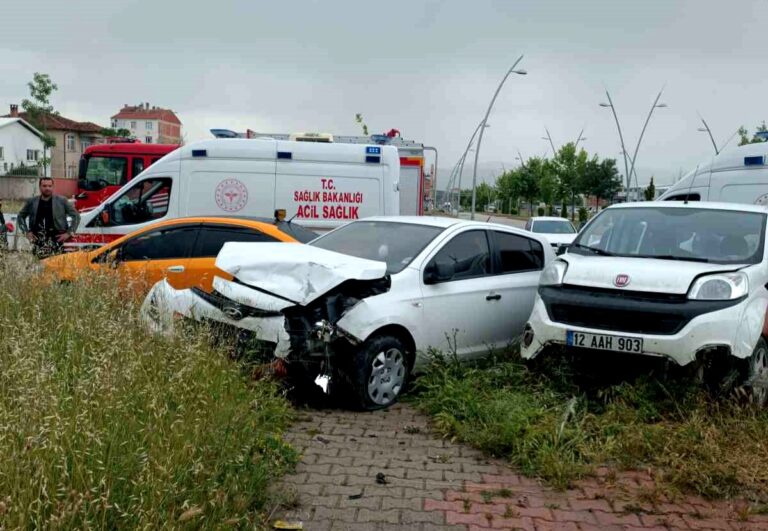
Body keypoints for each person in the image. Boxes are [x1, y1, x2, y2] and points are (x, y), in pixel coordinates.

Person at [17, 178, 80, 258]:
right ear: (40, 187)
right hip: (37, 240)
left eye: (50, 186)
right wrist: (26, 232)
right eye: (44, 186)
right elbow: (20, 216)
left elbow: (76, 216)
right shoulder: (32, 201)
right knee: (38, 266)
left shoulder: (62, 201)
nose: (47, 188)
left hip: (57, 240)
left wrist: (69, 233)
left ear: (53, 187)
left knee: (57, 265)